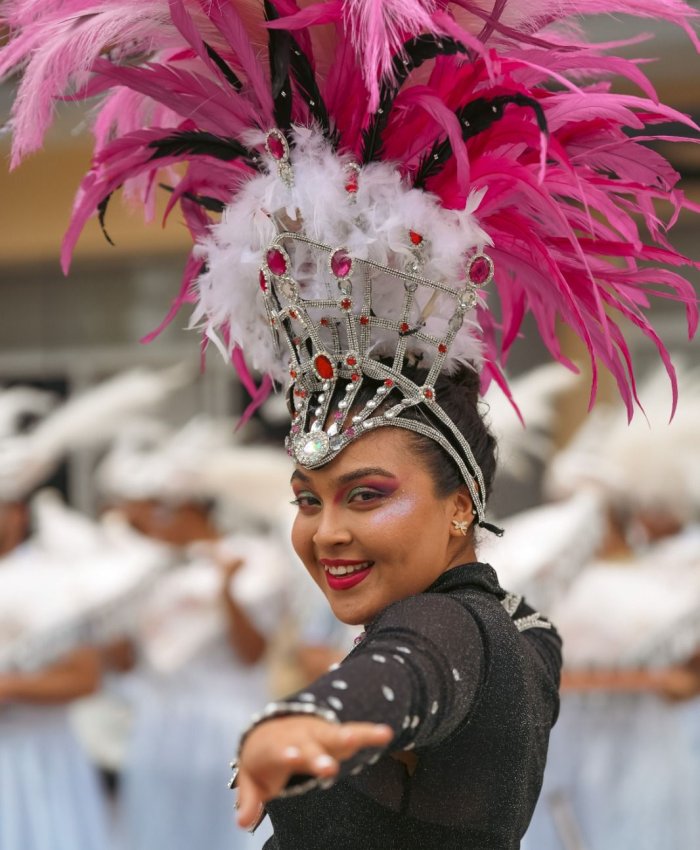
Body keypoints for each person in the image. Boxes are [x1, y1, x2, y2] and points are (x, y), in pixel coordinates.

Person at [2, 1, 698, 848]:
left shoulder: (455, 630)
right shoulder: (525, 629)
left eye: (365, 494)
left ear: (459, 506)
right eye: (307, 498)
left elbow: (409, 668)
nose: (324, 532)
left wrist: (310, 717)